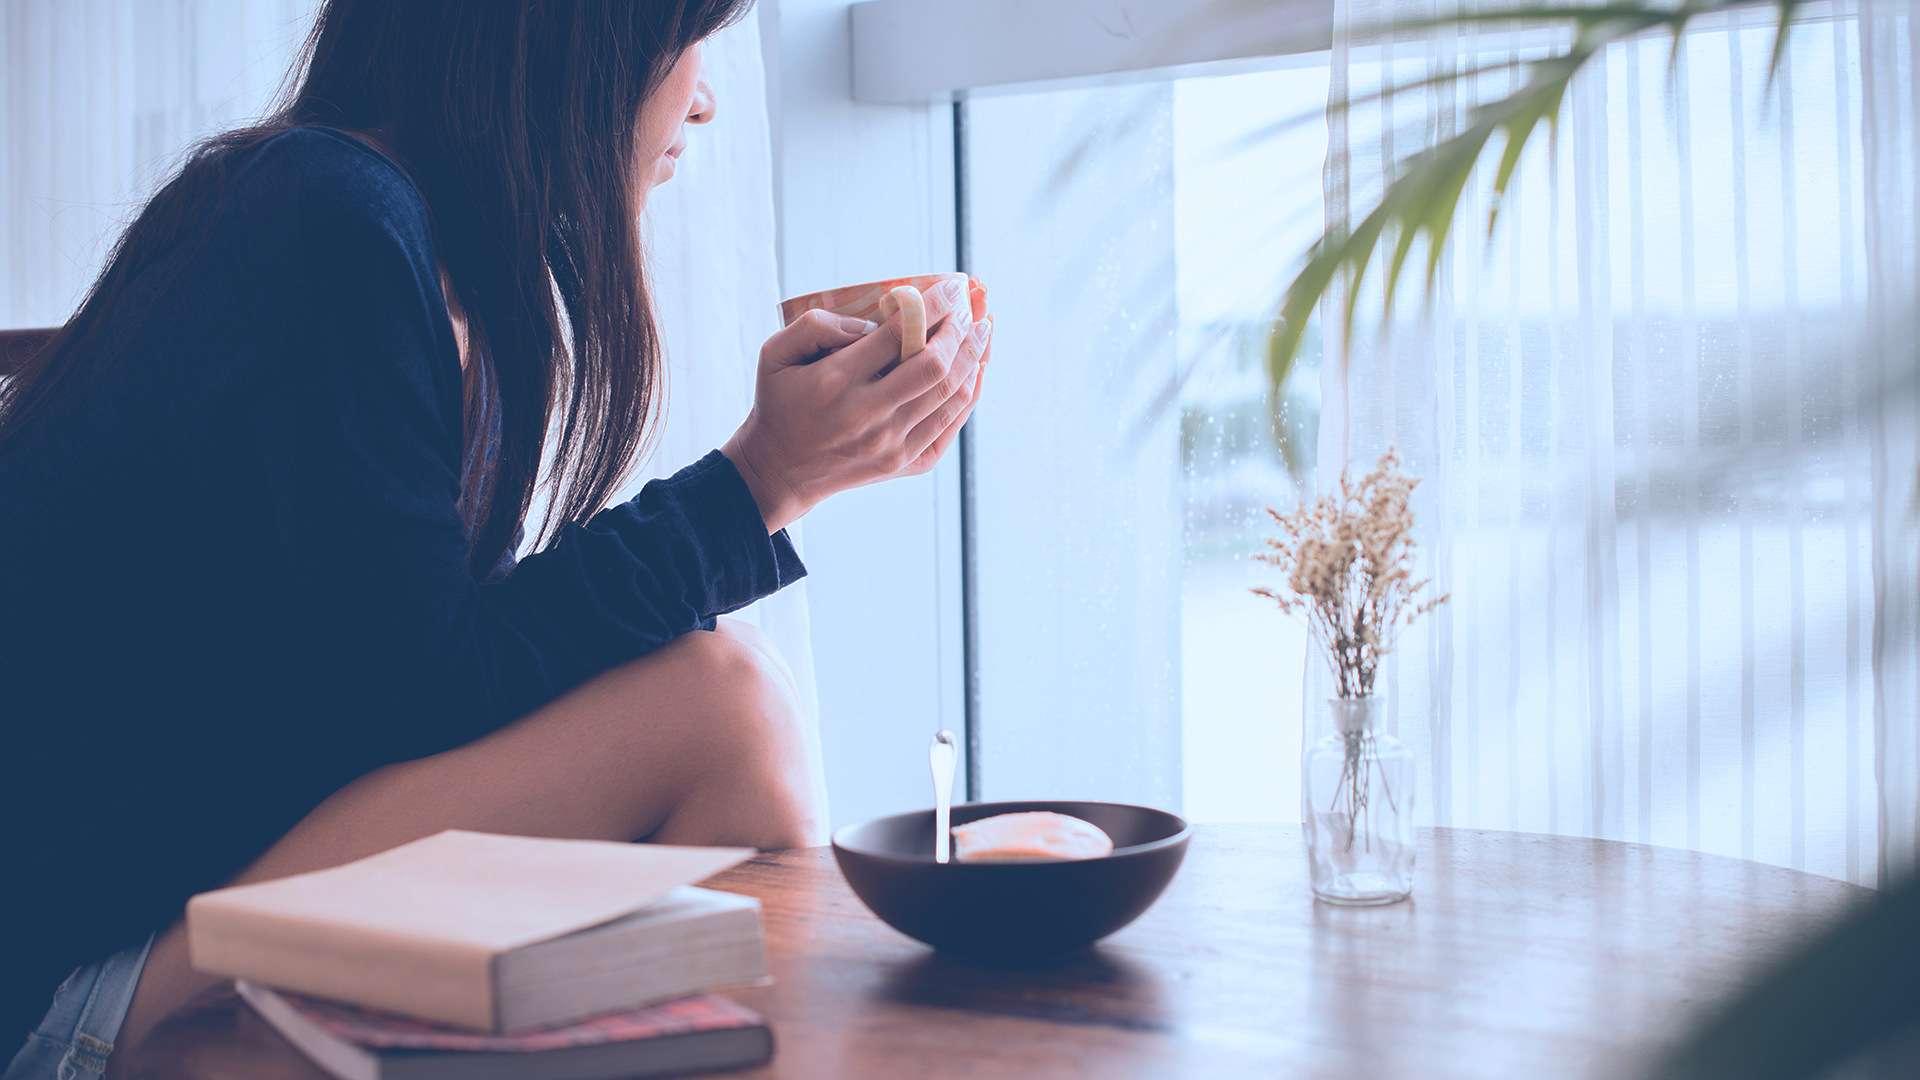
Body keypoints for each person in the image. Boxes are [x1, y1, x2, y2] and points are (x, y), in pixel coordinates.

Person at [0, 1, 992, 1077]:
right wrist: (761, 483)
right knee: (724, 712)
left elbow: (436, 680)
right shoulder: (326, 216)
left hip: (167, 927)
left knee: (720, 709)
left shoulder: (417, 260)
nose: (701, 98)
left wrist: (773, 482)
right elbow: (427, 696)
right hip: (80, 982)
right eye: (681, 43)